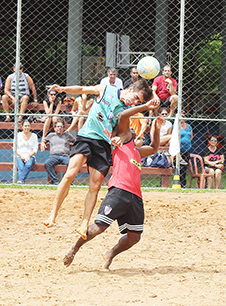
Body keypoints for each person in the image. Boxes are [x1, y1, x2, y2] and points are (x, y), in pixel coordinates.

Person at [42, 80, 156, 240]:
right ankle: (53, 214)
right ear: (130, 89)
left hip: (102, 145)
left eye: (138, 102)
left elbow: (119, 133)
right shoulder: (106, 89)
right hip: (87, 137)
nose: (135, 102)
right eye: (136, 97)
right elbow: (82, 88)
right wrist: (62, 88)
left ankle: (84, 223)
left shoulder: (125, 111)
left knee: (94, 186)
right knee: (69, 174)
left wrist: (116, 140)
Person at [62, 100, 163, 270]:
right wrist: (146, 106)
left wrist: (156, 129)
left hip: (136, 196)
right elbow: (124, 115)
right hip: (119, 191)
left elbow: (153, 148)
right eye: (129, 129)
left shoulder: (136, 151)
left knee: (134, 237)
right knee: (100, 226)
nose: (132, 129)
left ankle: (110, 253)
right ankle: (75, 248)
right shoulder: (121, 143)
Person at [42, 120, 76, 184]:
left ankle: (68, 182)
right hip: (54, 156)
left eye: (61, 127)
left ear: (63, 128)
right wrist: (43, 143)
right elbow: (44, 140)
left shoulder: (67, 135)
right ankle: (55, 182)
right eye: (58, 126)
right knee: (47, 164)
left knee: (71, 165)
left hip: (65, 156)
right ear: (54, 128)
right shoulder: (51, 135)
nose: (59, 128)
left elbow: (75, 142)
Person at [15, 118, 39, 184]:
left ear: (30, 127)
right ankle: (22, 181)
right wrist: (21, 156)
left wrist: (28, 156)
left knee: (28, 164)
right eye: (25, 126)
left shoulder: (34, 136)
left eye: (28, 126)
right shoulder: (18, 135)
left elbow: (35, 149)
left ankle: (20, 180)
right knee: (21, 166)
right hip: (20, 155)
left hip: (30, 156)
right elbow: (15, 148)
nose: (27, 127)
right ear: (22, 126)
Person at [179, 110, 193, 188]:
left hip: (187, 149)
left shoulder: (188, 126)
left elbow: (191, 136)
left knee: (184, 168)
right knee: (179, 166)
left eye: (183, 116)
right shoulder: (176, 125)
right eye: (180, 116)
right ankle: (178, 182)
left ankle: (183, 184)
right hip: (179, 149)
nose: (182, 118)